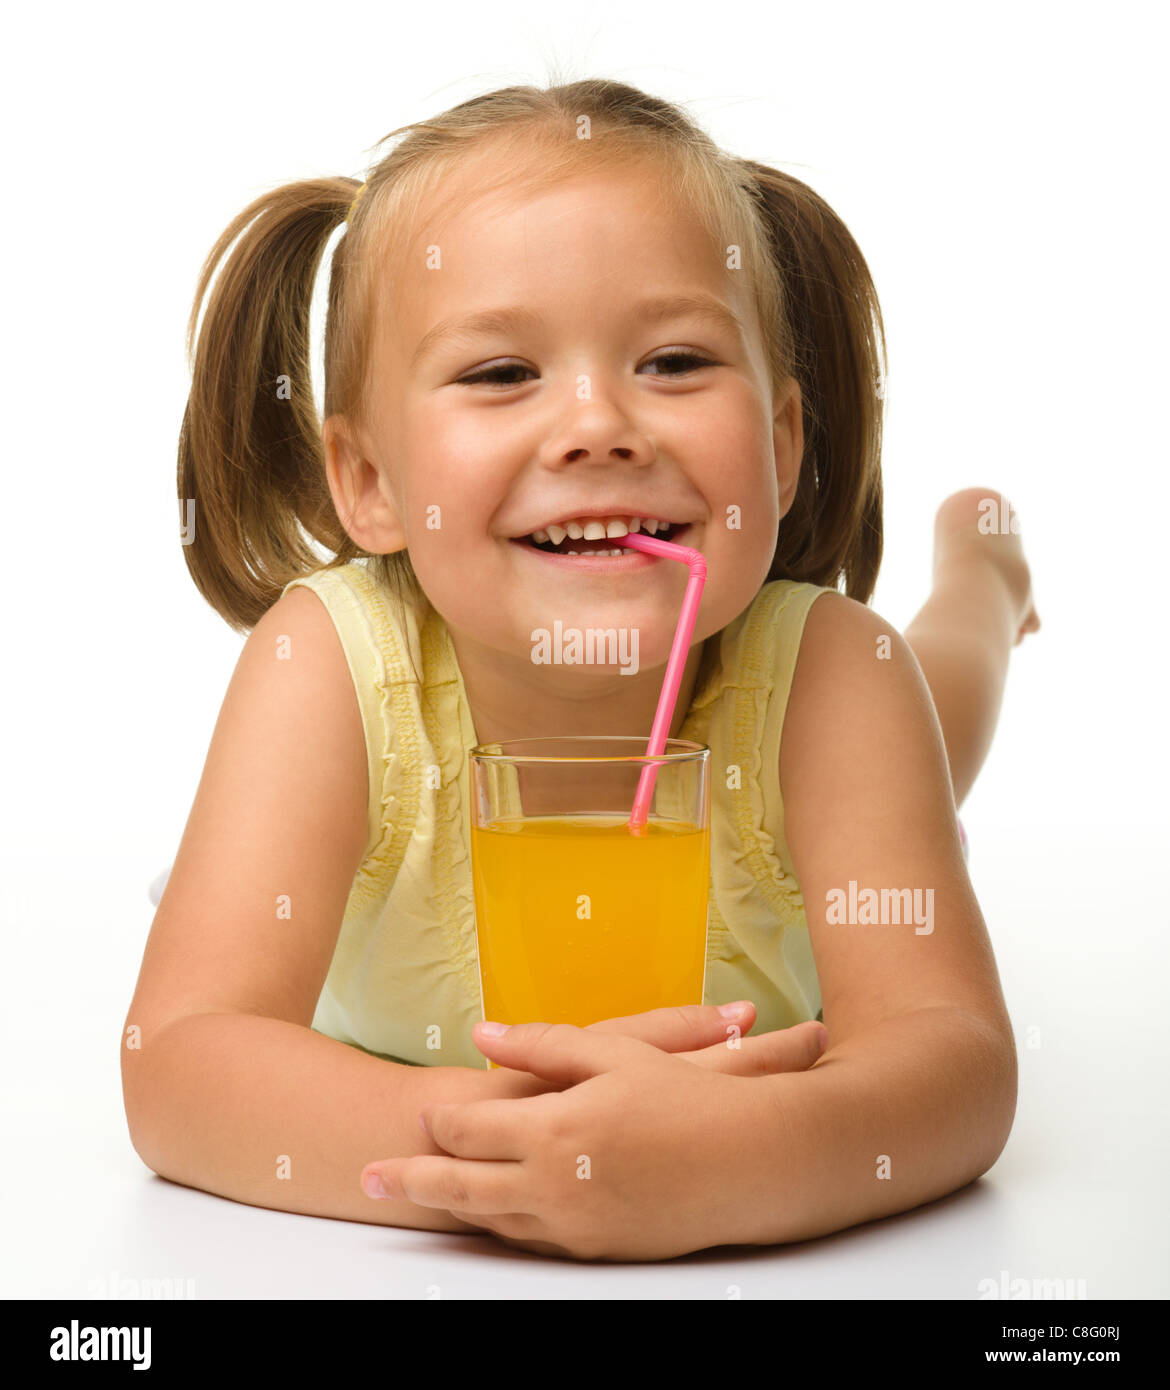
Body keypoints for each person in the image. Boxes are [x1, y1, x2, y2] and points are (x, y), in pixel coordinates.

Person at [123, 78, 1040, 1262]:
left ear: (777, 446)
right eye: (501, 373)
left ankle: (982, 574)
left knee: (933, 684)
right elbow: (181, 1061)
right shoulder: (323, 668)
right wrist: (532, 1154)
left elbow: (955, 1057)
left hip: (840, 743)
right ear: (370, 483)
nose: (599, 423)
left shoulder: (834, 684)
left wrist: (740, 1158)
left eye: (672, 359)